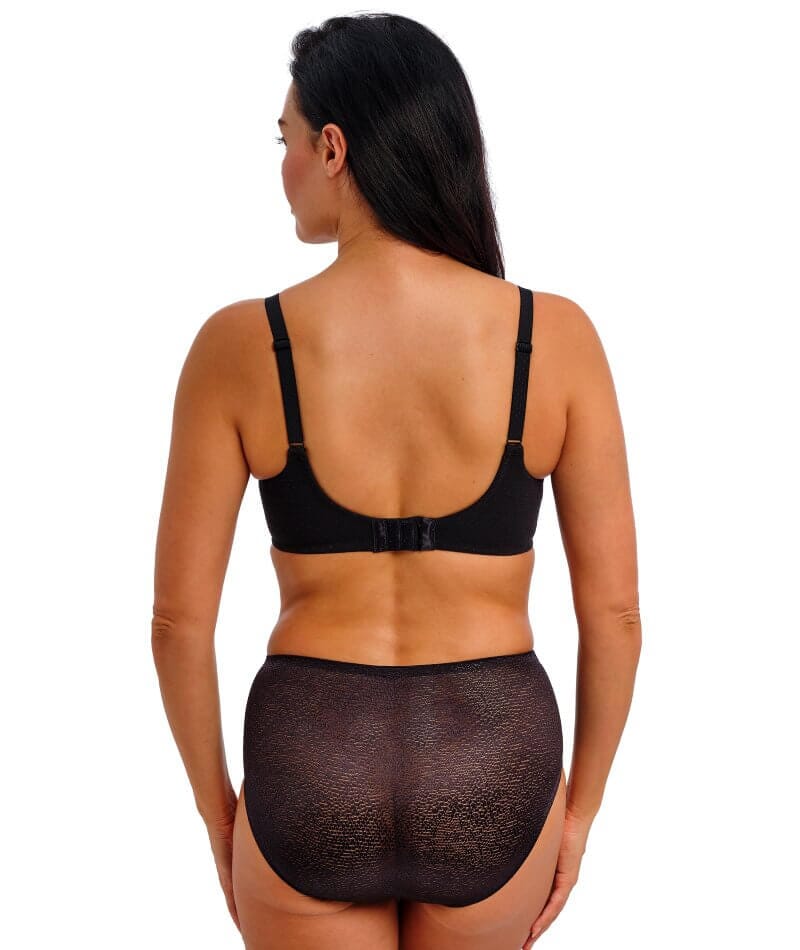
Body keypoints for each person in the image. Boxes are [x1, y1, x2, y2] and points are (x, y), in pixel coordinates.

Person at [151, 13, 641, 950]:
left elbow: (178, 624)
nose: (283, 166)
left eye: (286, 141)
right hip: (493, 761)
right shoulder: (555, 338)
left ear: (333, 149)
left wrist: (220, 815)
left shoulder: (239, 346)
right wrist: (579, 814)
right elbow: (615, 616)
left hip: (310, 760)